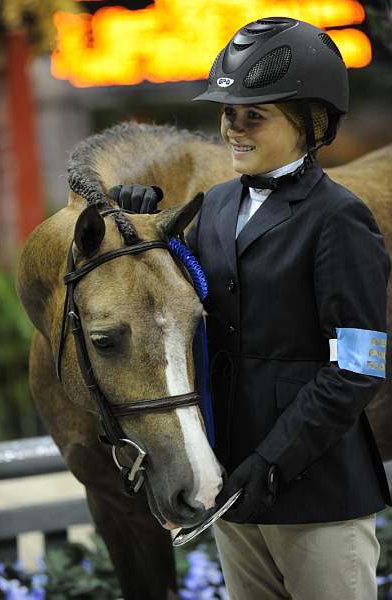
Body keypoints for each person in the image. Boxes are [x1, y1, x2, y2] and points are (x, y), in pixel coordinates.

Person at [109, 17, 391, 600]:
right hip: (233, 489)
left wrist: (274, 462)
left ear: (310, 122)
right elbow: (180, 299)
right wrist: (139, 226)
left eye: (253, 116)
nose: (233, 130)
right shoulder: (212, 206)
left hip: (316, 494)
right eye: (227, 115)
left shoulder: (339, 218)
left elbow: (359, 366)